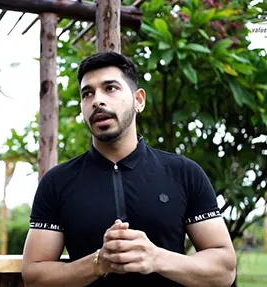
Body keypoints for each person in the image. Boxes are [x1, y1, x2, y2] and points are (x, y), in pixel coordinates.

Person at [21, 51, 237, 287]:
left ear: (139, 100)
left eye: (110, 88)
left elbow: (224, 270)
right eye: (87, 93)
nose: (97, 101)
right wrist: (99, 263)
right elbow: (34, 276)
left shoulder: (184, 173)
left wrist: (156, 258)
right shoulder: (57, 181)